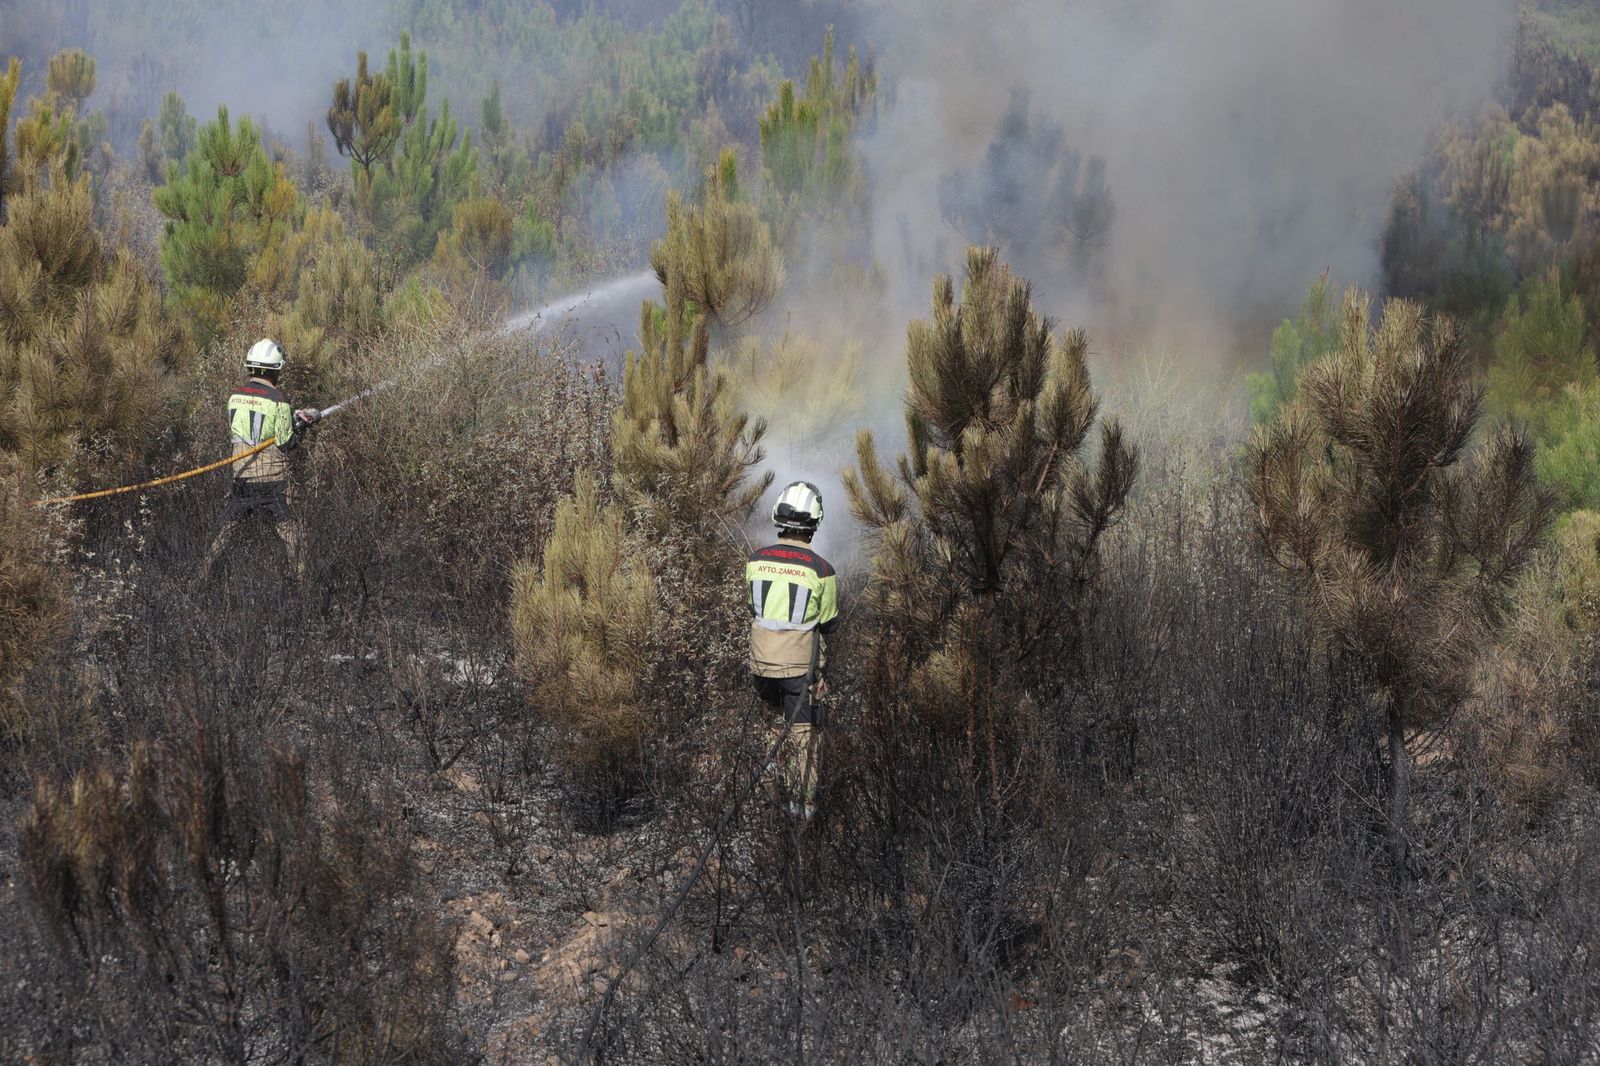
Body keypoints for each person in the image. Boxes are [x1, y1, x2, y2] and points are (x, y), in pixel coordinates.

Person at [746, 481, 840, 820]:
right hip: (799, 673)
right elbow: (828, 625)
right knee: (804, 740)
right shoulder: (822, 570)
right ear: (814, 524)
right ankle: (803, 815)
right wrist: (820, 674)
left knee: (773, 731)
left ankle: (773, 801)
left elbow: (754, 610)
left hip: (760, 669)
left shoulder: (756, 560)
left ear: (779, 519)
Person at [203, 339, 321, 579]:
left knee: (224, 535)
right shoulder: (279, 400)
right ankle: (302, 586)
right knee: (292, 538)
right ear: (276, 370)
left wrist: (291, 418)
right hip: (272, 482)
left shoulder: (235, 397)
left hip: (242, 479)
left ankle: (200, 579)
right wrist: (303, 426)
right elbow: (287, 443)